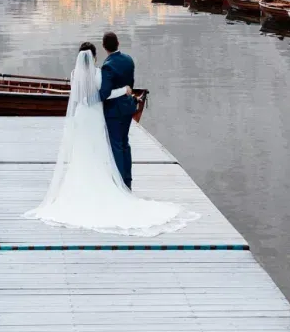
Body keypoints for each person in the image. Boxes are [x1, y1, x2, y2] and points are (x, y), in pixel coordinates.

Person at [23, 43, 199, 236]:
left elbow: (78, 97)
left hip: (81, 116)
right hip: (95, 117)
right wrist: (124, 90)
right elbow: (104, 96)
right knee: (99, 151)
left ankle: (79, 189)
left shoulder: (75, 75)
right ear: (95, 57)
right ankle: (106, 184)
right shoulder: (99, 74)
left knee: (81, 151)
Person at [98, 31, 136, 189]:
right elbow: (131, 84)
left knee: (116, 145)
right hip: (128, 107)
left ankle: (119, 183)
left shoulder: (107, 66)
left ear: (104, 47)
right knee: (125, 143)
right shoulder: (129, 60)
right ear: (118, 43)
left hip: (114, 112)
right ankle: (127, 178)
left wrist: (94, 94)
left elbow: (104, 94)